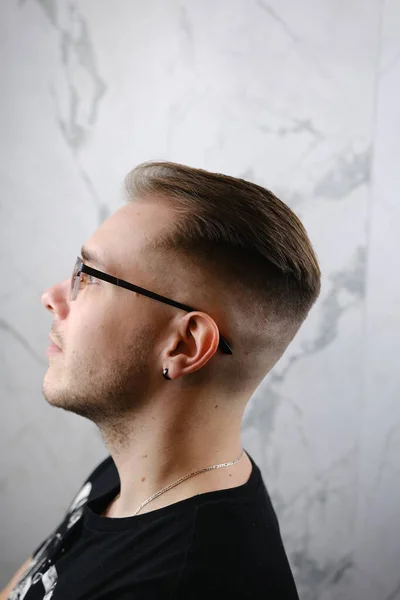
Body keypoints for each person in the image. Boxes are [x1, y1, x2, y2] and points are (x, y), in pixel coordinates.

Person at [2, 161, 321, 600]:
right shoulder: (130, 475)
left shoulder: (185, 581)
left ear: (185, 345)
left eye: (88, 277)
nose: (52, 297)